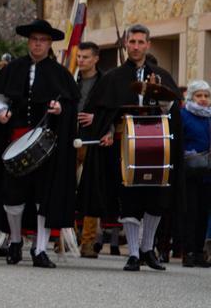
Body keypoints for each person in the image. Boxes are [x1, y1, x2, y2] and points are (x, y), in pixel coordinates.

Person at [0, 19, 79, 269]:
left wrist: (60, 109)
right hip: (15, 140)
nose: (38, 44)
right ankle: (14, 241)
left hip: (46, 145)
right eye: (34, 39)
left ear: (49, 44)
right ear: (28, 42)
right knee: (12, 197)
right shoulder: (13, 68)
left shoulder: (60, 74)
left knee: (42, 197)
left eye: (43, 40)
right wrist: (0, 112)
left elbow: (70, 105)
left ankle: (40, 248)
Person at [87, 24, 184, 271]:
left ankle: (147, 249)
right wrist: (107, 131)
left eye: (141, 42)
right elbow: (104, 113)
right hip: (124, 149)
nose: (136, 47)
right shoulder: (112, 78)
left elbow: (171, 112)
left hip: (155, 148)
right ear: (126, 44)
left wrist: (160, 96)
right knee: (128, 198)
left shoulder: (161, 75)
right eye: (132, 42)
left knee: (156, 199)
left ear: (148, 45)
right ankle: (132, 254)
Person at [71, 42, 109, 258]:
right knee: (67, 188)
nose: (82, 60)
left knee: (91, 190)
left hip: (92, 141)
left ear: (96, 58)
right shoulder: (70, 80)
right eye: (80, 57)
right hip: (70, 139)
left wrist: (98, 119)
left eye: (86, 57)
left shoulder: (105, 83)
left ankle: (87, 242)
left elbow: (112, 110)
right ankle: (64, 238)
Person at [181, 80, 211, 268]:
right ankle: (189, 251)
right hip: (189, 170)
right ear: (191, 97)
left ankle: (200, 252)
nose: (203, 100)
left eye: (206, 96)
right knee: (190, 212)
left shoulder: (209, 117)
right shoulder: (183, 115)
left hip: (207, 171)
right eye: (199, 95)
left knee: (204, 212)